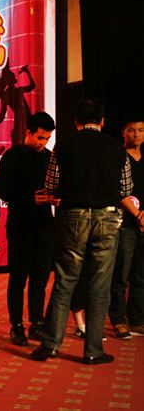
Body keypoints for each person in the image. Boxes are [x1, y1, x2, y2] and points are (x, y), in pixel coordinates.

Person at [31, 98, 137, 365]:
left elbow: (51, 184)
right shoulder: (117, 147)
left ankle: (50, 345)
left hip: (74, 216)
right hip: (108, 218)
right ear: (102, 121)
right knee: (100, 285)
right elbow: (125, 189)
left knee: (65, 280)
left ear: (76, 121)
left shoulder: (64, 145)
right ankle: (93, 350)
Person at [0, 111, 56, 346]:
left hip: (45, 225)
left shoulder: (50, 158)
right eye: (40, 138)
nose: (43, 143)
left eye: (47, 139)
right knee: (18, 278)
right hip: (20, 225)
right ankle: (17, 325)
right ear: (28, 133)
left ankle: (37, 324)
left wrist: (55, 198)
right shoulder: (12, 156)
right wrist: (30, 198)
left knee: (40, 279)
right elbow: (1, 190)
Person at [109, 117, 144, 338]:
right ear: (123, 132)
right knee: (121, 275)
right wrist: (138, 215)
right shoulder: (118, 156)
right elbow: (117, 191)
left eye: (140, 130)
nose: (136, 134)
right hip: (125, 224)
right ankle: (118, 319)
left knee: (141, 276)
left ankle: (137, 319)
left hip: (143, 224)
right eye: (131, 130)